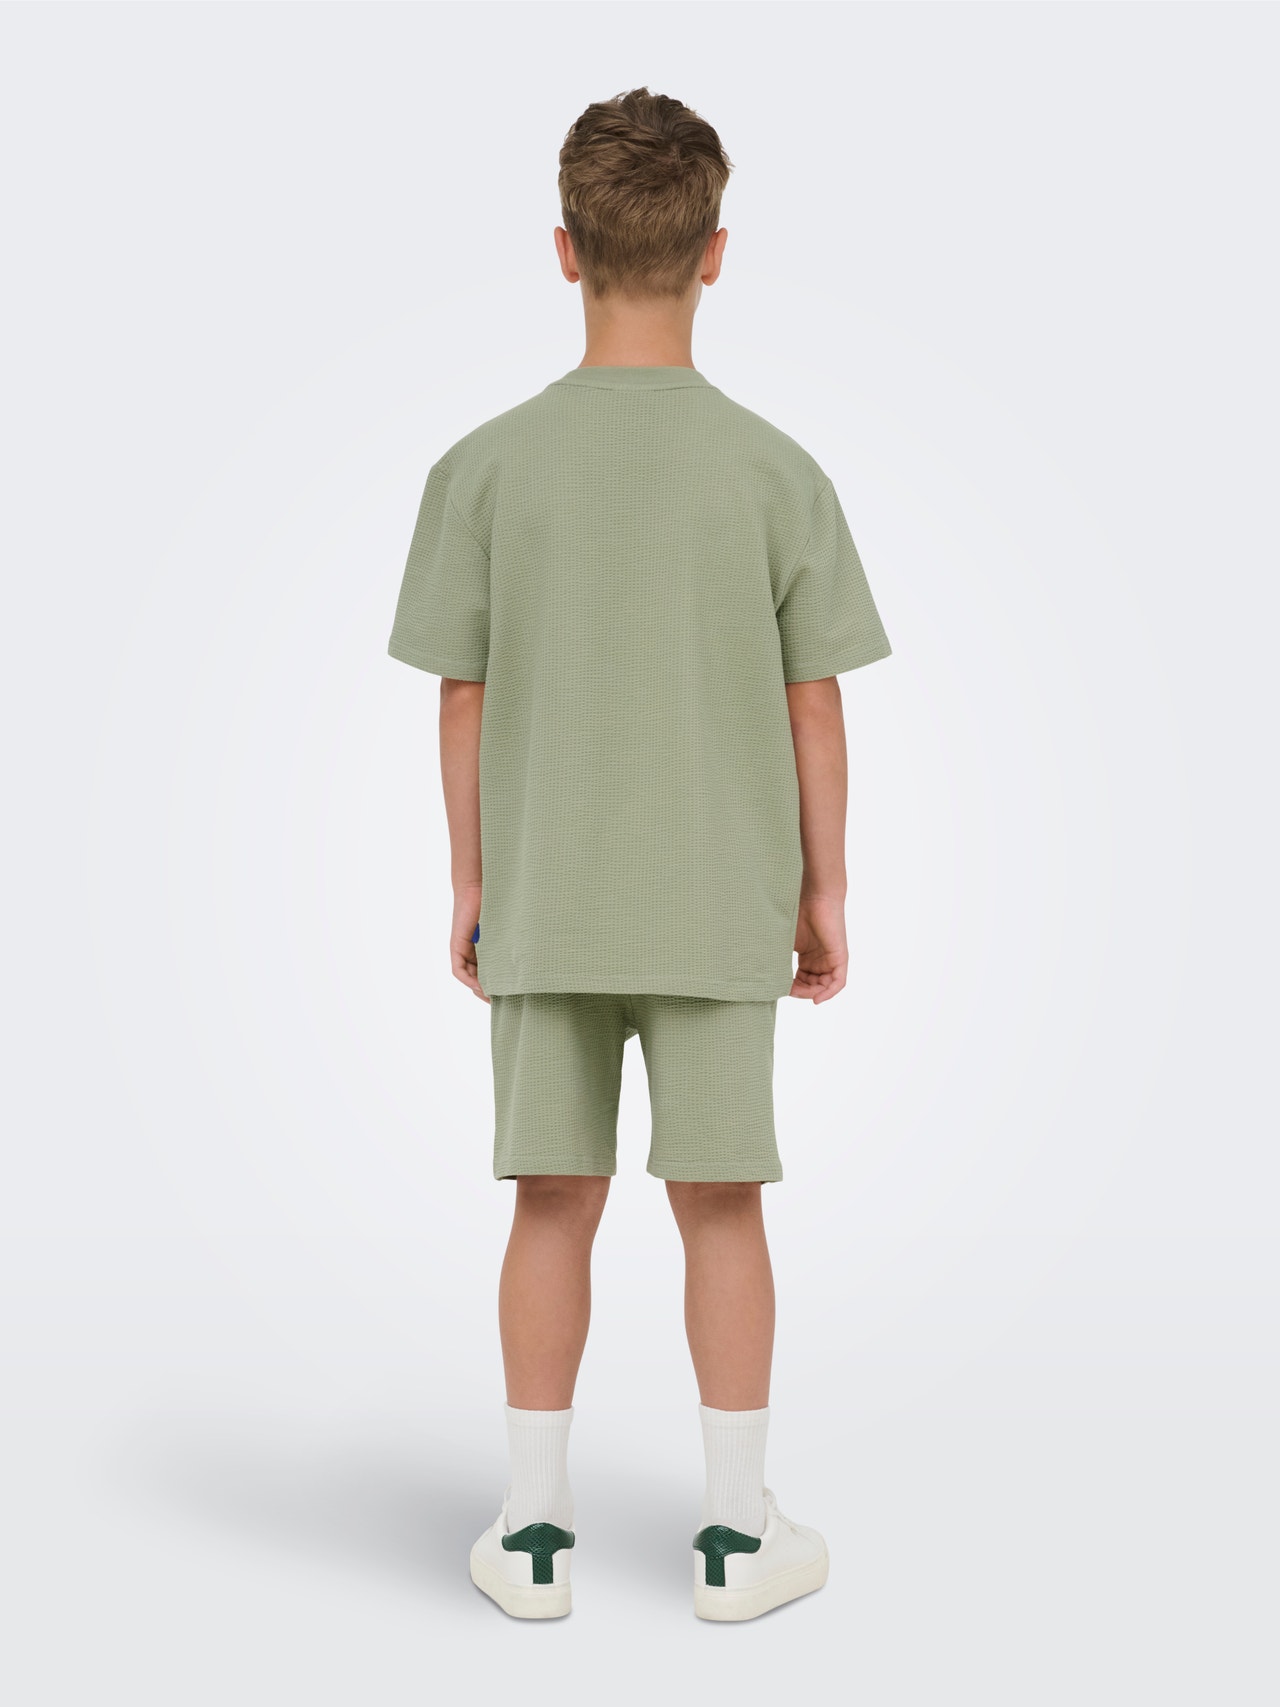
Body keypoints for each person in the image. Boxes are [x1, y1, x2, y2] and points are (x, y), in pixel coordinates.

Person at [387, 86, 892, 1622]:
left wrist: (476, 883)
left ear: (564, 248)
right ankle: (736, 1541)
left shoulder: (483, 468)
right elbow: (814, 706)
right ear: (716, 252)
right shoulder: (775, 472)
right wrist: (823, 887)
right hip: (719, 900)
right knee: (722, 1204)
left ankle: (533, 1535)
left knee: (551, 1202)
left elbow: (463, 698)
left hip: (550, 899)